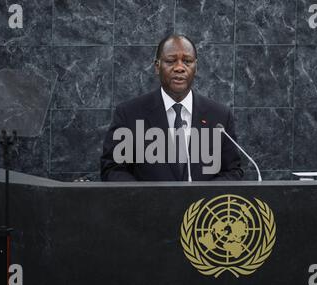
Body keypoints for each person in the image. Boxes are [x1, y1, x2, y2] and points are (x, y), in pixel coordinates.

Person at [101, 34, 244, 181]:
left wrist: (204, 198)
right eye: (171, 61)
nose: (179, 68)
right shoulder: (129, 114)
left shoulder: (219, 116)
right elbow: (113, 169)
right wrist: (142, 198)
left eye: (187, 61)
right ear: (157, 66)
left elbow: (232, 171)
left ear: (196, 67)